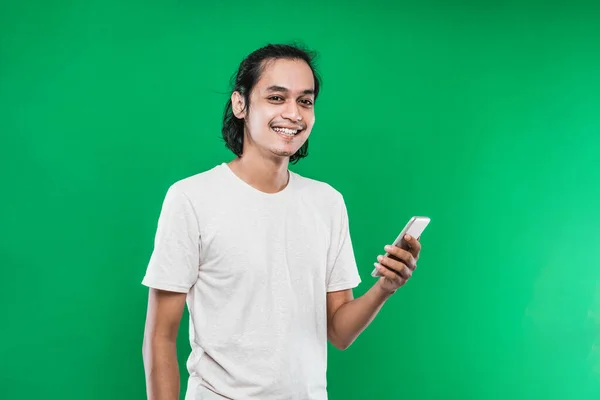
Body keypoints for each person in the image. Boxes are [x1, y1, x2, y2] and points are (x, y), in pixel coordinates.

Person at [141, 43, 423, 400]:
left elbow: (338, 332)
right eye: (277, 98)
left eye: (305, 101)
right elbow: (160, 337)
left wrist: (386, 287)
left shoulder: (327, 203)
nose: (294, 113)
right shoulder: (191, 198)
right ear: (240, 104)